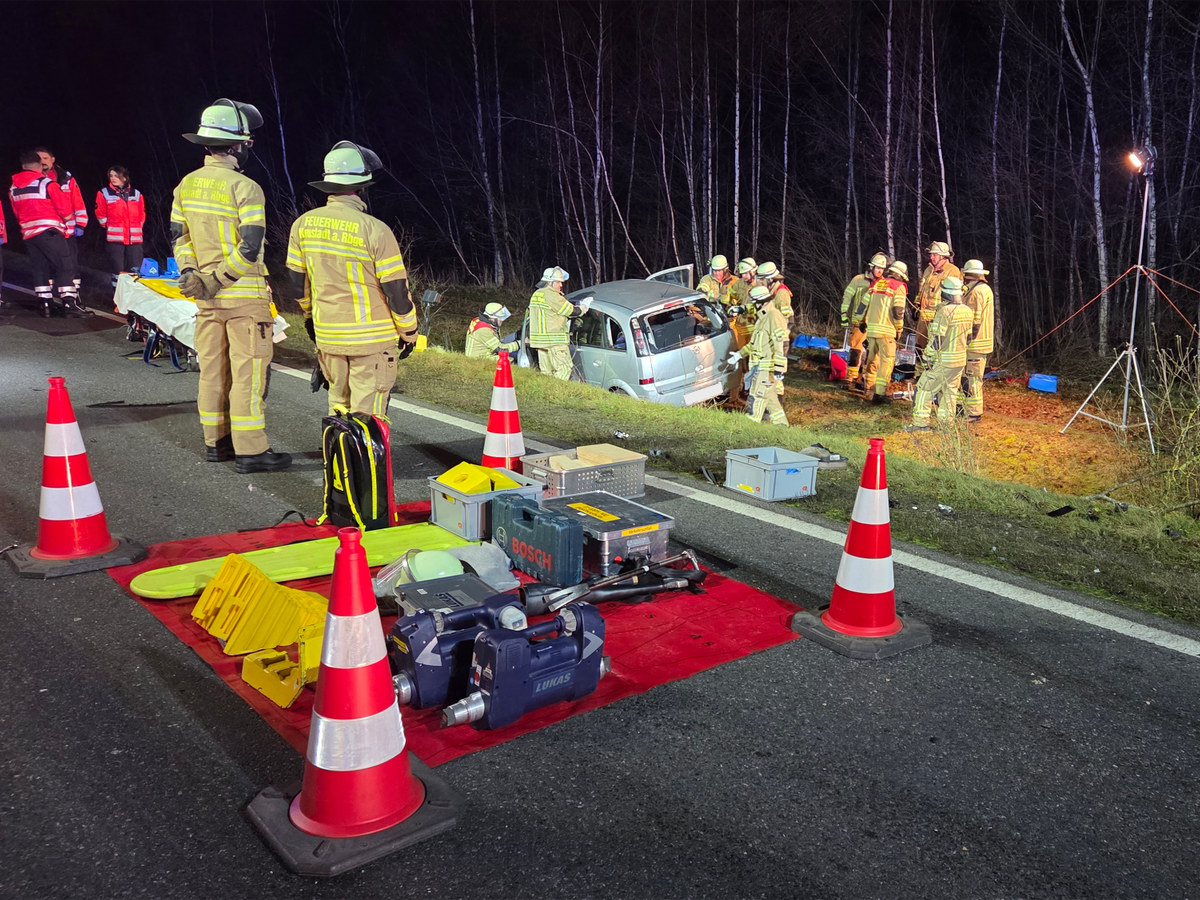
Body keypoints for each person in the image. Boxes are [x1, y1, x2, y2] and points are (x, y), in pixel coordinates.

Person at [172, 98, 291, 474]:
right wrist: (217, 280)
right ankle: (252, 451)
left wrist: (194, 275)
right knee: (248, 374)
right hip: (243, 299)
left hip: (205, 302)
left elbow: (180, 237)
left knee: (212, 371)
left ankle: (216, 442)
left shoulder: (185, 186)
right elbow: (250, 246)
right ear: (238, 145)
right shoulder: (246, 187)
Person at [286, 141, 419, 419]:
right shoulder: (375, 230)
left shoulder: (302, 225)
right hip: (371, 342)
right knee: (368, 418)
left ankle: (337, 462)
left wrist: (311, 318)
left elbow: (298, 283)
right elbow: (396, 292)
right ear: (362, 187)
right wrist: (409, 332)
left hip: (328, 337)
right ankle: (367, 463)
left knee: (338, 408)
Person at [9, 150, 84, 317]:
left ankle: (45, 304)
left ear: (23, 166)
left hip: (29, 233)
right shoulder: (46, 183)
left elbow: (16, 211)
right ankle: (69, 304)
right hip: (50, 231)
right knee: (65, 264)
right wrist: (69, 227)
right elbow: (64, 208)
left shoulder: (14, 187)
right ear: (37, 165)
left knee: (40, 267)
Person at [906, 276, 974, 432]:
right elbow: (969, 337)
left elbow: (937, 338)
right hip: (959, 361)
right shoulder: (967, 311)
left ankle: (920, 424)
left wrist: (927, 358)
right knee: (949, 393)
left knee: (924, 389)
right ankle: (946, 426)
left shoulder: (945, 312)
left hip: (944, 361)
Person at [36, 147, 89, 311]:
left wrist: (81, 223)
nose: (43, 161)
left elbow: (77, 201)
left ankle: (73, 297)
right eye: (39, 158)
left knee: (71, 263)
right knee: (48, 265)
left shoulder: (65, 178)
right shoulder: (34, 179)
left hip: (67, 229)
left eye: (45, 158)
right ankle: (48, 300)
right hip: (47, 230)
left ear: (52, 159)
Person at [733, 284, 789, 426]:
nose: (754, 307)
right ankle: (782, 425)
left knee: (756, 394)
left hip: (766, 367)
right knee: (771, 399)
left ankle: (751, 424)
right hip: (759, 365)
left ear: (761, 303)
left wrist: (779, 368)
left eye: (755, 303)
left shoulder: (774, 317)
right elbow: (754, 345)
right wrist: (739, 355)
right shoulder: (763, 317)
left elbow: (779, 345)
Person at [528, 265, 588, 379]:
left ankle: (547, 394)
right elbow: (571, 311)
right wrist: (583, 307)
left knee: (547, 373)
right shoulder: (552, 295)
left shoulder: (536, 294)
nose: (561, 285)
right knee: (564, 368)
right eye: (558, 282)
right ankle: (557, 393)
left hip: (540, 342)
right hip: (554, 341)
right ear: (550, 282)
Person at [861, 259, 909, 404]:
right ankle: (880, 395)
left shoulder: (877, 283)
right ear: (901, 275)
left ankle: (868, 389)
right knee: (886, 363)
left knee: (872, 361)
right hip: (887, 331)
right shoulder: (899, 287)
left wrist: (860, 321)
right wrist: (899, 328)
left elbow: (863, 304)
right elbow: (898, 311)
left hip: (872, 330)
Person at [912, 240, 962, 376]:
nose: (931, 257)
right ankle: (919, 375)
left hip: (940, 317)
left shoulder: (953, 272)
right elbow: (922, 289)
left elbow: (954, 295)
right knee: (920, 345)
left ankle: (932, 375)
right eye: (931, 255)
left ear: (943, 256)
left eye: (935, 255)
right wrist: (916, 304)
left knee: (934, 348)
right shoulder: (929, 270)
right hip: (924, 315)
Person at [840, 252, 889, 387]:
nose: (880, 271)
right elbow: (847, 296)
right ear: (871, 267)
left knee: (873, 355)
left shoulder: (884, 284)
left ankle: (867, 381)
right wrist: (844, 314)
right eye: (877, 268)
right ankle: (850, 378)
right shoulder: (858, 280)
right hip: (859, 322)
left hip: (875, 324)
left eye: (882, 269)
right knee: (855, 350)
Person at [94, 166, 145, 288]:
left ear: (125, 177)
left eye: (116, 175)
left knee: (135, 270)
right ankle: (117, 298)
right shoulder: (104, 193)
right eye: (111, 176)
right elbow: (100, 213)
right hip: (115, 239)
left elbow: (142, 213)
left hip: (135, 239)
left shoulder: (136, 194)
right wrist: (108, 226)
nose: (113, 178)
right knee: (118, 271)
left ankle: (133, 297)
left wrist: (138, 226)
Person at [961, 259, 995, 425]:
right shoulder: (982, 289)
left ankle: (974, 414)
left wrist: (965, 340)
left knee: (972, 379)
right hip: (979, 343)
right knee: (968, 378)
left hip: (975, 344)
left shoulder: (977, 292)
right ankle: (965, 409)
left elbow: (974, 320)